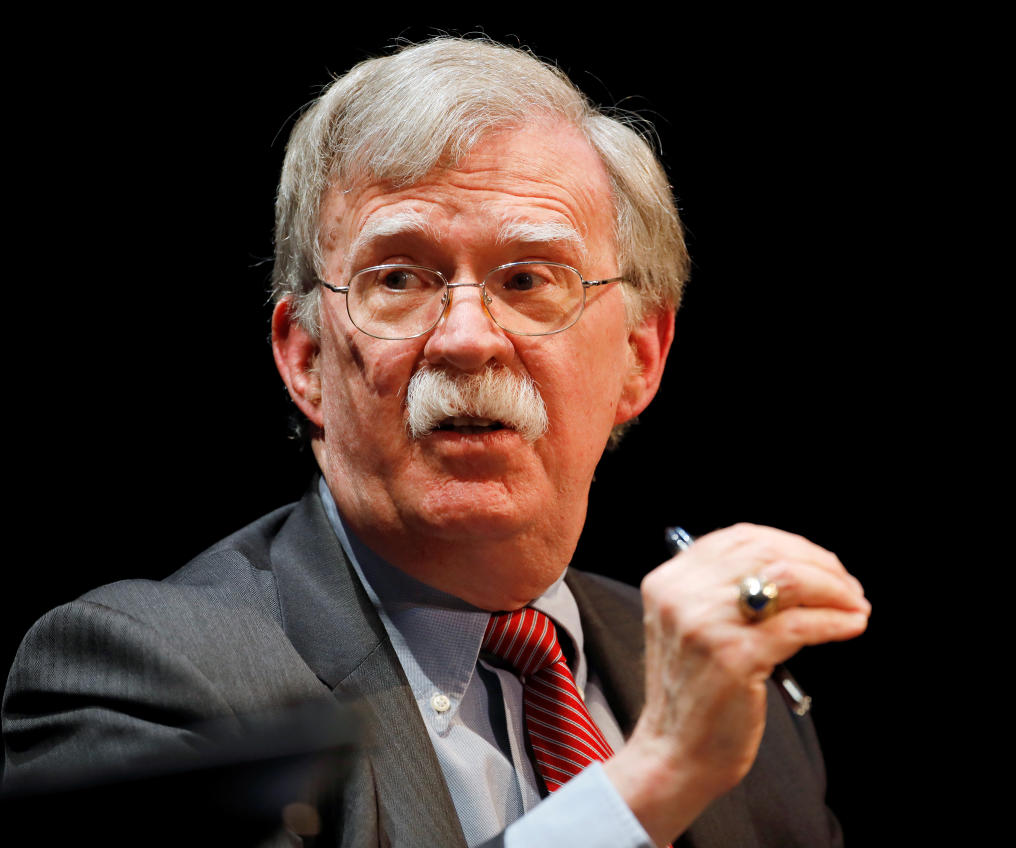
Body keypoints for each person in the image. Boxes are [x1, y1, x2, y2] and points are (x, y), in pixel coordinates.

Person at [2, 37, 870, 847]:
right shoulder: (143, 679)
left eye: (529, 279)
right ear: (305, 360)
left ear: (640, 359)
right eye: (399, 280)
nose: (465, 338)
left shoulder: (731, 696)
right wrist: (652, 782)